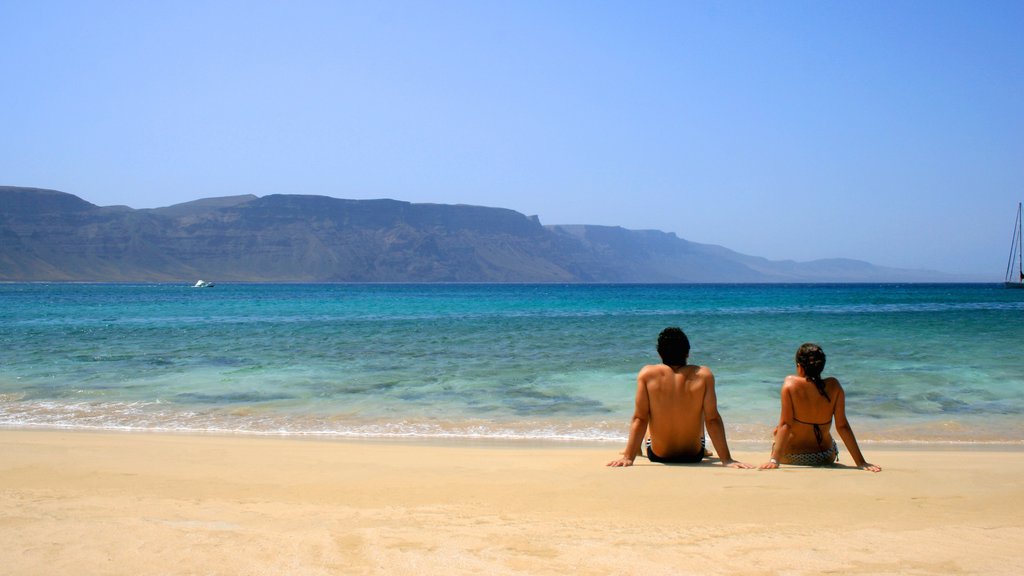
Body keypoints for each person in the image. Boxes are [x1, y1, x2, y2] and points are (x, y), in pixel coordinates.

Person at [607, 327, 750, 468]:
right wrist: (727, 460)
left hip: (659, 455)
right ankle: (703, 448)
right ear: (687, 353)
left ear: (659, 354)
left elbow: (640, 418)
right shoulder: (704, 375)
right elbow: (712, 420)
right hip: (693, 455)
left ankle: (634, 450)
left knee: (647, 413)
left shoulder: (647, 374)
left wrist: (628, 458)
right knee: (700, 409)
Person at [759, 343, 881, 472]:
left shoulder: (790, 384)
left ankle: (776, 457)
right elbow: (842, 426)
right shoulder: (834, 386)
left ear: (799, 367)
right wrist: (861, 462)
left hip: (789, 456)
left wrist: (774, 460)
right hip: (824, 456)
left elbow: (786, 425)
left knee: (777, 431)